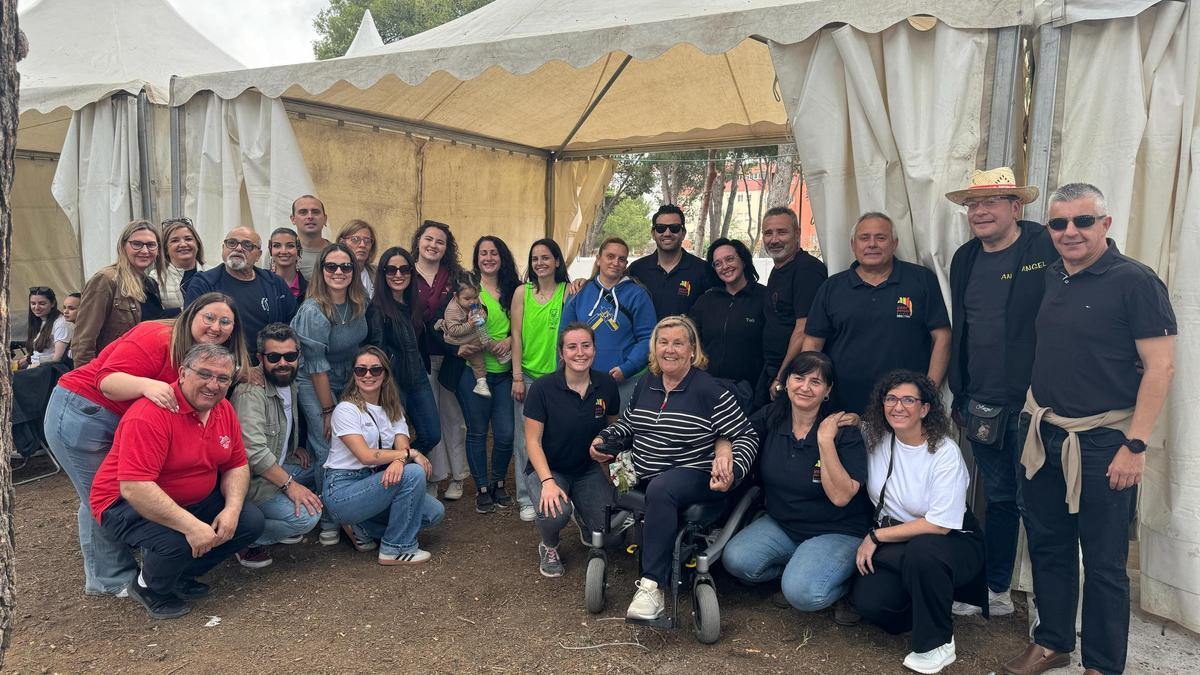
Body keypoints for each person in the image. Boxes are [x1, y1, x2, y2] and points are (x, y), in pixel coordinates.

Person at [1001, 184, 1177, 675]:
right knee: (1048, 546)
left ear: (1106, 223)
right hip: (1044, 434)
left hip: (1104, 441)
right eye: (1059, 223)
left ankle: (1102, 665)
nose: (1070, 232)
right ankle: (1052, 642)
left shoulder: (1136, 282)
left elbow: (1160, 369)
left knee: (1103, 563)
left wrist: (1135, 445)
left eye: (1083, 221)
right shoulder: (1054, 275)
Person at [45, 293, 250, 596]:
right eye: (209, 317)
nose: (216, 326)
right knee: (100, 495)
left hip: (121, 417)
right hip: (84, 411)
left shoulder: (205, 356)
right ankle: (109, 578)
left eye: (225, 321)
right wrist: (147, 385)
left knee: (120, 487)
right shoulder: (156, 336)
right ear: (191, 314)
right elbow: (105, 380)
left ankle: (148, 561)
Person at [943, 167, 1057, 618]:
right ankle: (996, 591)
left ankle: (1051, 610)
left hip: (1040, 408)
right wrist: (961, 394)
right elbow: (962, 331)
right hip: (982, 405)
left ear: (1016, 207)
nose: (980, 211)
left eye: (991, 202)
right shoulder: (965, 258)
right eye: (973, 204)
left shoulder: (1045, 244)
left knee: (1043, 507)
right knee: (1000, 499)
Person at [593, 316, 758, 620]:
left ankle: (651, 587)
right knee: (621, 470)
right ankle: (633, 535)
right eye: (662, 342)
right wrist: (606, 437)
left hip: (691, 473)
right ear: (654, 348)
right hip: (643, 471)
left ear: (692, 351)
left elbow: (746, 435)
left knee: (662, 488)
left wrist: (733, 468)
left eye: (678, 343)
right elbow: (629, 423)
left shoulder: (709, 390)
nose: (669, 349)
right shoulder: (647, 383)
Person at [89, 344, 265, 620]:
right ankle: (148, 587)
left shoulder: (224, 409)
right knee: (179, 541)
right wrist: (192, 525)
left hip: (189, 497)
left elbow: (237, 464)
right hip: (123, 502)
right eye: (204, 374)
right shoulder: (150, 415)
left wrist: (231, 510)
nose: (213, 385)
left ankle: (181, 574)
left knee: (249, 521)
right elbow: (135, 487)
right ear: (182, 373)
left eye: (222, 378)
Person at [851, 371, 984, 675]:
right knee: (872, 603)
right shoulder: (876, 436)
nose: (899, 407)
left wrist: (875, 536)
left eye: (909, 400)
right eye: (891, 399)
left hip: (950, 541)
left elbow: (939, 525)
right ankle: (930, 601)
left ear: (924, 409)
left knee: (924, 552)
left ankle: (937, 642)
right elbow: (850, 423)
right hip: (900, 542)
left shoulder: (944, 452)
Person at [722, 352, 872, 617]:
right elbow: (731, 431)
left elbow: (840, 497)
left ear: (828, 390)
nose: (805, 387)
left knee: (804, 594)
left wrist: (825, 440)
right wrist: (723, 451)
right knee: (736, 560)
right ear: (786, 382)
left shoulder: (844, 431)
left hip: (837, 530)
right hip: (784, 524)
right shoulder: (772, 416)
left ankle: (844, 586)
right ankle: (800, 567)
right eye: (799, 377)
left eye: (816, 382)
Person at [801, 212, 950, 414]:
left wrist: (928, 392)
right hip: (843, 407)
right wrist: (809, 391)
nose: (872, 244)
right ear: (853, 245)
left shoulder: (921, 280)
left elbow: (942, 337)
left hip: (905, 409)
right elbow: (813, 344)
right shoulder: (832, 287)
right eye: (864, 238)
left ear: (894, 243)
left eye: (881, 237)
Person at [322, 346, 445, 565]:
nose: (368, 375)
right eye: (361, 370)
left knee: (433, 512)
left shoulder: (392, 407)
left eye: (375, 370)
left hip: (374, 483)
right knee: (413, 473)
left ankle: (363, 525)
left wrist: (400, 458)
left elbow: (401, 444)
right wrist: (409, 454)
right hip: (343, 488)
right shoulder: (346, 409)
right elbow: (366, 456)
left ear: (385, 374)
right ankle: (395, 547)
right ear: (354, 374)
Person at [523, 322, 618, 576]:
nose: (580, 353)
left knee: (610, 530)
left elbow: (613, 428)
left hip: (587, 469)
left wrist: (604, 446)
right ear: (561, 352)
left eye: (586, 346)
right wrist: (547, 482)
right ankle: (550, 545)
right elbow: (532, 441)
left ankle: (587, 519)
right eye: (572, 347)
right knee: (555, 512)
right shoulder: (542, 389)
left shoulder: (606, 384)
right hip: (550, 469)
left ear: (594, 350)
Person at [290, 243, 370, 546]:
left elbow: (356, 346)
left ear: (354, 271)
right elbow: (316, 366)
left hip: (347, 378)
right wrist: (328, 410)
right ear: (322, 271)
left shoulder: (358, 302)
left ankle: (349, 507)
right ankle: (328, 517)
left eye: (345, 267)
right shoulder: (313, 309)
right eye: (331, 267)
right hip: (314, 380)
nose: (338, 272)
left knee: (354, 442)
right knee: (328, 446)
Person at [229, 323, 323, 569]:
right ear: (260, 358)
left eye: (290, 356)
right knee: (309, 518)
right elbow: (253, 452)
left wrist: (292, 448)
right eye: (274, 357)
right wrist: (290, 486)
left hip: (280, 466)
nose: (283, 363)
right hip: (254, 483)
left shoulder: (289, 382)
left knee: (321, 470)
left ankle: (274, 521)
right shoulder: (251, 391)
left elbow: (280, 426)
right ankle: (243, 537)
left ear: (298, 357)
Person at [453, 236, 521, 514]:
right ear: (476, 258)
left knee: (505, 433)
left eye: (494, 252)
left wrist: (509, 339)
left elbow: (522, 325)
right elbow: (452, 325)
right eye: (483, 253)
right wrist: (463, 345)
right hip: (475, 372)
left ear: (502, 256)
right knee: (478, 432)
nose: (489, 257)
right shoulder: (468, 289)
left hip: (506, 372)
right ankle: (482, 487)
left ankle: (499, 482)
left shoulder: (514, 289)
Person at [510, 238, 571, 522]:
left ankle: (556, 488)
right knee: (525, 440)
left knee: (555, 437)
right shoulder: (522, 293)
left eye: (546, 257)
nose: (540, 263)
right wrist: (517, 377)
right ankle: (525, 496)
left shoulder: (567, 291)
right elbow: (516, 337)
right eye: (535, 258)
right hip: (529, 378)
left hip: (558, 379)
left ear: (557, 261)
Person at [411, 220, 469, 500]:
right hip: (418, 359)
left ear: (447, 248)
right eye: (429, 239)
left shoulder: (456, 277)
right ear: (418, 241)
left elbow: (474, 312)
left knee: (453, 418)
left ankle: (458, 476)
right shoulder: (404, 273)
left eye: (440, 242)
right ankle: (434, 477)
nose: (433, 245)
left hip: (452, 359)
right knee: (428, 419)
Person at [561, 237, 656, 407]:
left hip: (622, 381)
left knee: (618, 430)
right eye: (610, 256)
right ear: (599, 259)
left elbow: (648, 337)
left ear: (626, 264)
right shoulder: (580, 291)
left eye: (621, 259)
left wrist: (627, 368)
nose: (615, 262)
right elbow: (564, 336)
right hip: (582, 377)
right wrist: (561, 373)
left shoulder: (637, 295)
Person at [366, 246, 441, 458]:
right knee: (392, 440)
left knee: (432, 434)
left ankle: (403, 466)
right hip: (393, 381)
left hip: (418, 377)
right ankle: (396, 475)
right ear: (383, 274)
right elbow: (377, 351)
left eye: (404, 269)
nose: (398, 275)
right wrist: (384, 385)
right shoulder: (377, 309)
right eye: (391, 270)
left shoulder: (413, 304)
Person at [71, 219, 166, 367]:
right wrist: (86, 377)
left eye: (151, 245)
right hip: (111, 371)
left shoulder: (150, 283)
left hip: (142, 369)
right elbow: (84, 338)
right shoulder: (106, 280)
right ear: (123, 246)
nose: (145, 250)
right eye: (137, 244)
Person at [759, 207, 828, 408]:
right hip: (772, 368)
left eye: (782, 232)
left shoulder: (808, 270)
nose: (774, 239)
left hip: (793, 377)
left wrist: (783, 377)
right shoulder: (778, 269)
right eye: (768, 233)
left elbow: (804, 330)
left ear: (797, 234)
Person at [185, 226, 297, 348]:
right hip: (222, 361)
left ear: (258, 255)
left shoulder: (274, 283)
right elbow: (191, 330)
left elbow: (293, 325)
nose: (238, 248)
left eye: (247, 245)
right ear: (223, 248)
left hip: (268, 361)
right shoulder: (204, 283)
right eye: (231, 243)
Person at [688, 238, 766, 406]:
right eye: (718, 263)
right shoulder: (706, 300)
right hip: (708, 389)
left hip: (749, 393)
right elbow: (690, 338)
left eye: (730, 259)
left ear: (743, 260)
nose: (725, 266)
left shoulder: (764, 298)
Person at [625, 204, 715, 318]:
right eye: (660, 228)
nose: (667, 233)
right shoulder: (637, 269)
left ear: (683, 233)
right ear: (653, 233)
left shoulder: (702, 270)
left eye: (674, 228)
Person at [435, 272, 494, 397]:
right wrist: (470, 325)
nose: (472, 302)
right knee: (477, 354)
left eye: (475, 297)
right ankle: (481, 383)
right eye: (467, 299)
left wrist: (483, 316)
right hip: (455, 339)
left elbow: (481, 311)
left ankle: (496, 354)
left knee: (484, 340)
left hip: (468, 334)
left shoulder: (473, 301)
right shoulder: (452, 310)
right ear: (456, 296)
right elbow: (453, 330)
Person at [155, 217, 206, 318]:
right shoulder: (155, 278)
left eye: (188, 239)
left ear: (197, 244)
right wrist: (186, 310)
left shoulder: (214, 273)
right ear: (165, 249)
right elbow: (154, 316)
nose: (183, 244)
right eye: (174, 241)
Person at [21, 286, 71, 368]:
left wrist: (32, 367)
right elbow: (42, 352)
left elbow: (57, 359)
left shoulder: (61, 324)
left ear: (53, 303)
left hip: (45, 372)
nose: (36, 308)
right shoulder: (40, 321)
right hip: (34, 367)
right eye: (33, 303)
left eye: (42, 303)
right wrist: (26, 359)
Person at [291, 195, 330, 280]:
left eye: (315, 212)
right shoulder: (278, 252)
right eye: (303, 212)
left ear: (325, 219)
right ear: (293, 219)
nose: (310, 217)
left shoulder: (337, 253)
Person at [337, 219, 378, 298]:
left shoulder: (376, 273)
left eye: (367, 240)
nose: (362, 245)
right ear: (342, 243)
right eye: (355, 239)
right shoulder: (333, 272)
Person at [268, 227, 308, 300]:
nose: (283, 251)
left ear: (298, 250)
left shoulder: (310, 290)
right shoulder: (261, 285)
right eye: (277, 246)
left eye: (290, 246)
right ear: (270, 250)